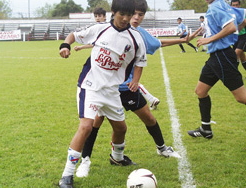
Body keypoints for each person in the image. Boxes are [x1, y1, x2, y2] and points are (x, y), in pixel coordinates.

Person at [75, 0, 202, 178]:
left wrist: (183, 40)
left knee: (148, 118)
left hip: (127, 88)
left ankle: (161, 149)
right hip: (103, 88)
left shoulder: (139, 34)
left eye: (139, 15)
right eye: (132, 14)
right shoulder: (111, 28)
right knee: (94, 124)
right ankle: (85, 161)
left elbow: (159, 43)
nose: (134, 18)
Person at [58, 0, 147, 187]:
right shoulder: (100, 29)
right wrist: (65, 46)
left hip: (112, 90)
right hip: (90, 86)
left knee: (121, 128)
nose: (125, 19)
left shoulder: (136, 38)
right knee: (86, 127)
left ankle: (117, 158)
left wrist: (135, 80)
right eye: (121, 14)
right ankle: (67, 175)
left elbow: (140, 61)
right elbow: (74, 34)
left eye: (129, 15)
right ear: (113, 12)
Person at [74, 9, 160, 110]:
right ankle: (152, 99)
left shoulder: (135, 34)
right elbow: (92, 42)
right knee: (98, 117)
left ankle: (152, 99)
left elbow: (155, 46)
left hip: (119, 80)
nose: (97, 18)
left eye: (100, 16)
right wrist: (79, 47)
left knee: (141, 115)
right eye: (96, 16)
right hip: (104, 82)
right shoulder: (101, 29)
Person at [187, 0, 246, 139]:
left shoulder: (215, 7)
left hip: (223, 56)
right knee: (200, 91)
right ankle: (205, 129)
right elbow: (242, 19)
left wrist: (209, 39)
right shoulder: (223, 5)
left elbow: (231, 27)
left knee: (242, 97)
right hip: (216, 57)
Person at [231, 0, 246, 71]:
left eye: (237, 5)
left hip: (244, 36)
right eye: (233, 5)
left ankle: (234, 73)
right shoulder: (229, 14)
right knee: (242, 57)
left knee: (236, 53)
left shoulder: (243, 13)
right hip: (235, 37)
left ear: (239, 5)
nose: (235, 7)